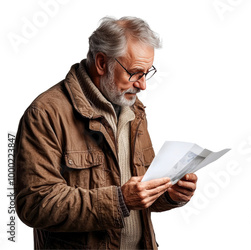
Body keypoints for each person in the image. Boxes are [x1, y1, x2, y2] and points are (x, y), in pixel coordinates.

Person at [14, 16, 197, 249]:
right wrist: (119, 200)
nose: (143, 85)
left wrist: (169, 193)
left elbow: (140, 193)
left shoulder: (134, 109)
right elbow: (34, 204)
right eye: (135, 73)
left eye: (147, 73)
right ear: (101, 63)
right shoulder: (45, 114)